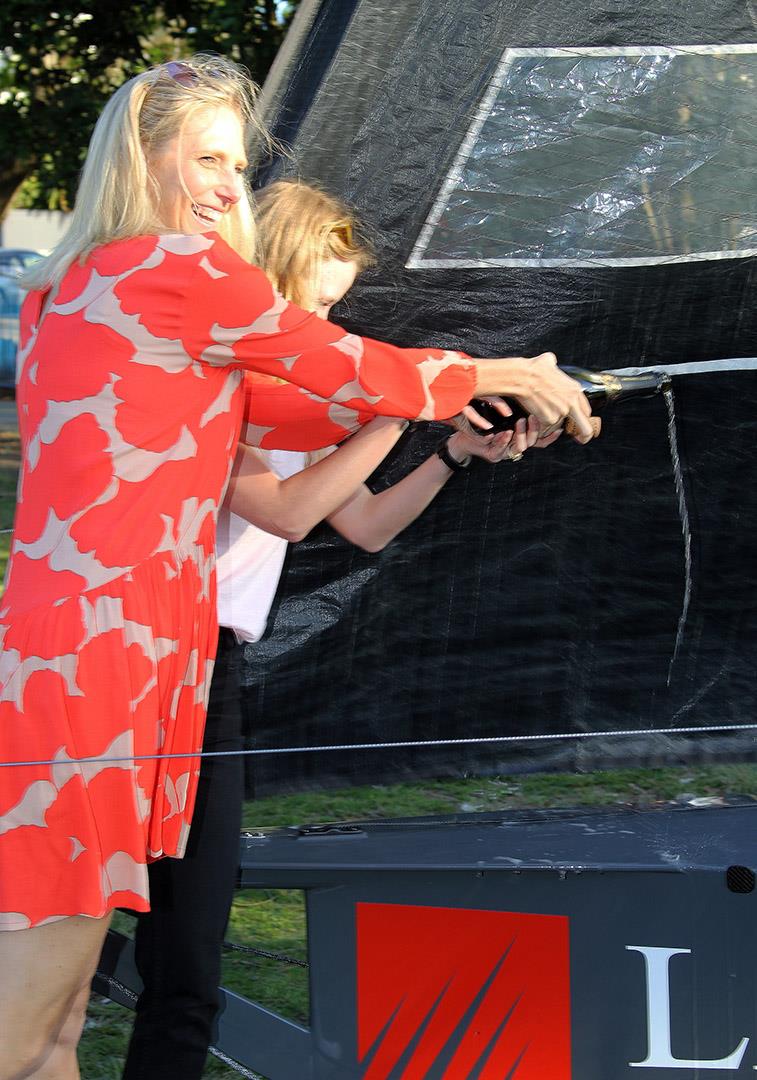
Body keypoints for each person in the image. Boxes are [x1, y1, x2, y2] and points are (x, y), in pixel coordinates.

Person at [0, 54, 596, 1080]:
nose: (233, 185)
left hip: (127, 666)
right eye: (210, 158)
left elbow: (305, 407)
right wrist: (495, 371)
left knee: (56, 1030)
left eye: (238, 161)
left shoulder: (87, 290)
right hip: (95, 671)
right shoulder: (168, 270)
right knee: (21, 1030)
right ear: (141, 156)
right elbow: (338, 370)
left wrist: (457, 417)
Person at [121, 178, 555, 1078]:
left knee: (190, 959)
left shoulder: (304, 401)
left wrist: (447, 452)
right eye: (315, 303)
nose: (330, 327)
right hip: (133, 663)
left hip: (214, 678)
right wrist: (401, 404)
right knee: (72, 936)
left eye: (337, 307)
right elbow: (284, 513)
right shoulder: (204, 377)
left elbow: (359, 525)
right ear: (264, 282)